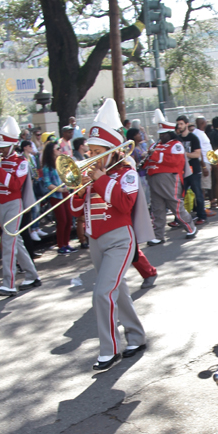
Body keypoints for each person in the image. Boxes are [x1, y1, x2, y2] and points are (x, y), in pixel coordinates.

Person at [70, 99, 148, 370]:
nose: (91, 156)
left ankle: (109, 350)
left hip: (119, 239)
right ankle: (137, 336)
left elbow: (124, 205)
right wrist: (80, 190)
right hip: (95, 241)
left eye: (97, 151)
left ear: (113, 151)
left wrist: (100, 178)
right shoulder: (91, 176)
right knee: (119, 290)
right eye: (89, 151)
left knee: (103, 293)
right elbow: (75, 209)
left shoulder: (126, 173)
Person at [0, 116, 41, 296]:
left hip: (14, 204)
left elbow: (14, 185)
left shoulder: (21, 162)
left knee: (7, 243)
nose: (0, 150)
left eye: (4, 146)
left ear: (13, 145)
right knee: (16, 241)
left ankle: (9, 283)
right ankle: (32, 275)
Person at [145, 109, 196, 242]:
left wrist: (155, 155)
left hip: (169, 180)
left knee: (176, 207)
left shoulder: (176, 145)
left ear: (169, 134)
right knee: (157, 209)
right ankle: (158, 236)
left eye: (164, 134)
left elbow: (175, 161)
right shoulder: (156, 144)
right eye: (160, 134)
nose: (161, 137)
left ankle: (190, 227)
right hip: (154, 180)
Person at [42, 139, 73, 254]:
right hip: (56, 195)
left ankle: (67, 243)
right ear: (51, 151)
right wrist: (60, 189)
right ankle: (61, 245)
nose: (60, 150)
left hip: (65, 192)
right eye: (57, 149)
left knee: (69, 220)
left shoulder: (61, 163)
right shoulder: (47, 167)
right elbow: (47, 183)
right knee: (62, 221)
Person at [176, 114, 206, 225]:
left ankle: (201, 216)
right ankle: (178, 219)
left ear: (187, 124)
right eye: (178, 124)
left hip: (193, 170)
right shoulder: (177, 139)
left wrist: (184, 154)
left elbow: (197, 154)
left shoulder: (193, 138)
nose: (179, 126)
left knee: (197, 193)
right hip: (181, 171)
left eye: (181, 124)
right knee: (179, 195)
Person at [194, 116, 213, 210]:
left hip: (207, 161)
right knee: (203, 187)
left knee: (205, 186)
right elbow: (199, 151)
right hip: (203, 162)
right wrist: (204, 166)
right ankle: (203, 208)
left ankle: (204, 206)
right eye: (205, 122)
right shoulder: (197, 134)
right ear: (202, 123)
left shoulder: (201, 133)